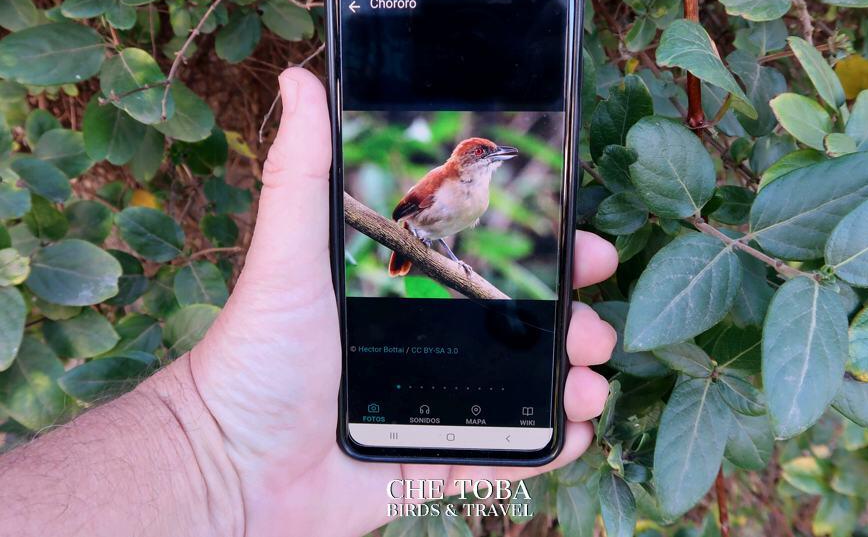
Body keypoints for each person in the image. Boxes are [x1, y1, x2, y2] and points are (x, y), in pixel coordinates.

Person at [0, 68, 618, 537]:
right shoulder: (441, 183)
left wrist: (211, 462)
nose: (490, 159)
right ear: (467, 159)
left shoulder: (478, 199)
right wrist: (411, 238)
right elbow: (410, 209)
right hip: (416, 230)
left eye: (492, 155)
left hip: (440, 246)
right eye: (483, 154)